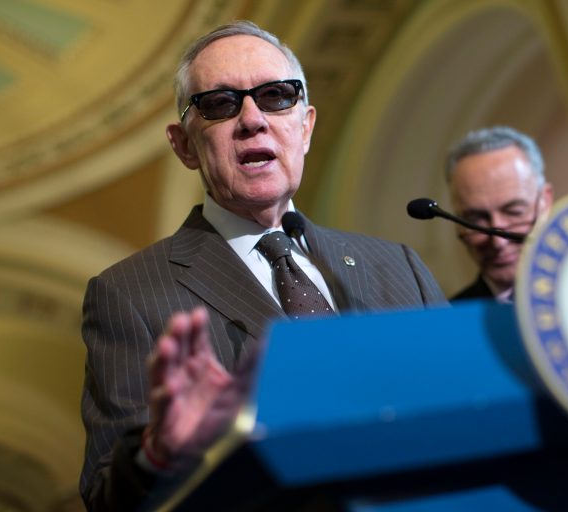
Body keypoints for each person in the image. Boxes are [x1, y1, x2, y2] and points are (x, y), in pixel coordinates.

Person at [80, 20, 446, 511]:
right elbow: (107, 498)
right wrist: (158, 453)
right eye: (220, 103)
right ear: (185, 145)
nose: (252, 118)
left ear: (306, 126)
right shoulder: (129, 294)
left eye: (276, 96)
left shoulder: (398, 266)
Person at [446, 126, 553, 302]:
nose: (498, 242)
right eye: (476, 220)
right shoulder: (448, 322)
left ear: (546, 201)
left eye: (514, 212)